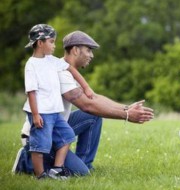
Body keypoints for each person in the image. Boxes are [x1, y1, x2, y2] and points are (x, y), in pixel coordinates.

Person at [13, 30, 154, 176]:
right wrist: (126, 115)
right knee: (80, 172)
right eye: (88, 50)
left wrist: (126, 108)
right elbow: (87, 105)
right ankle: (26, 160)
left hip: (56, 127)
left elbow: (94, 98)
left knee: (93, 117)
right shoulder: (59, 72)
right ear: (75, 50)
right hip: (41, 130)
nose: (91, 55)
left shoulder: (65, 68)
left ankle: (84, 163)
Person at [23, 24, 94, 179]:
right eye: (51, 41)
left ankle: (57, 169)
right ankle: (38, 173)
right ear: (40, 43)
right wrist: (35, 114)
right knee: (41, 144)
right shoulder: (31, 65)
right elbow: (31, 92)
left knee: (68, 136)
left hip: (55, 113)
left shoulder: (52, 61)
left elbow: (71, 69)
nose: (55, 45)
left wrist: (86, 87)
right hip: (41, 112)